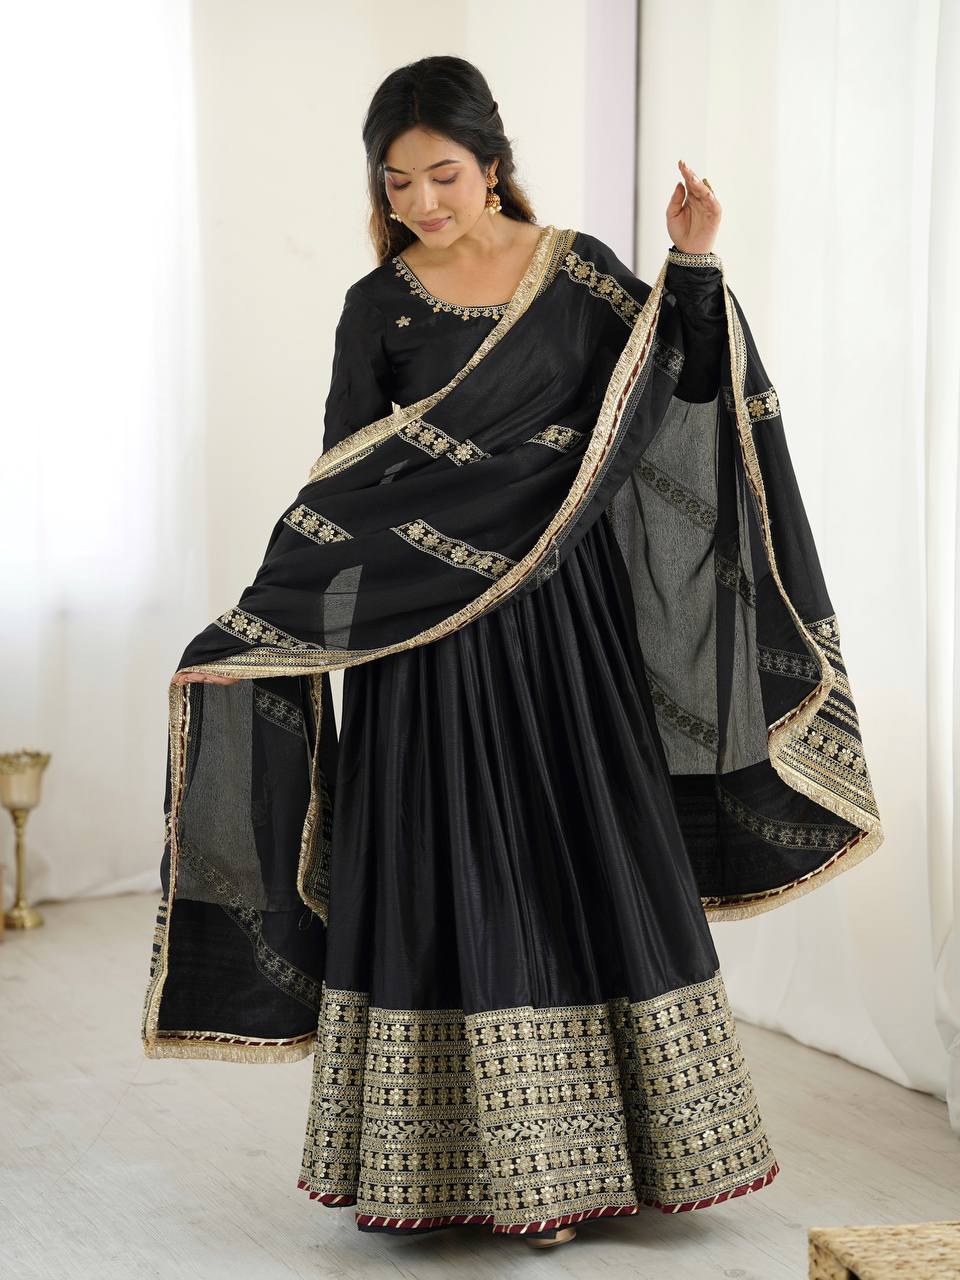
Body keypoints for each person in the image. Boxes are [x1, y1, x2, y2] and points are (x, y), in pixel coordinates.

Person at [144, 55, 884, 1250]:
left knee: (577, 845)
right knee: (451, 859)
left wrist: (693, 261)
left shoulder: (580, 274)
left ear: (494, 165)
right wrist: (258, 625)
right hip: (425, 648)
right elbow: (348, 483)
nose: (424, 202)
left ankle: (618, 1153)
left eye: (445, 173)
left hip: (563, 628)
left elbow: (681, 385)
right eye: (399, 182)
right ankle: (477, 1168)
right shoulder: (375, 304)